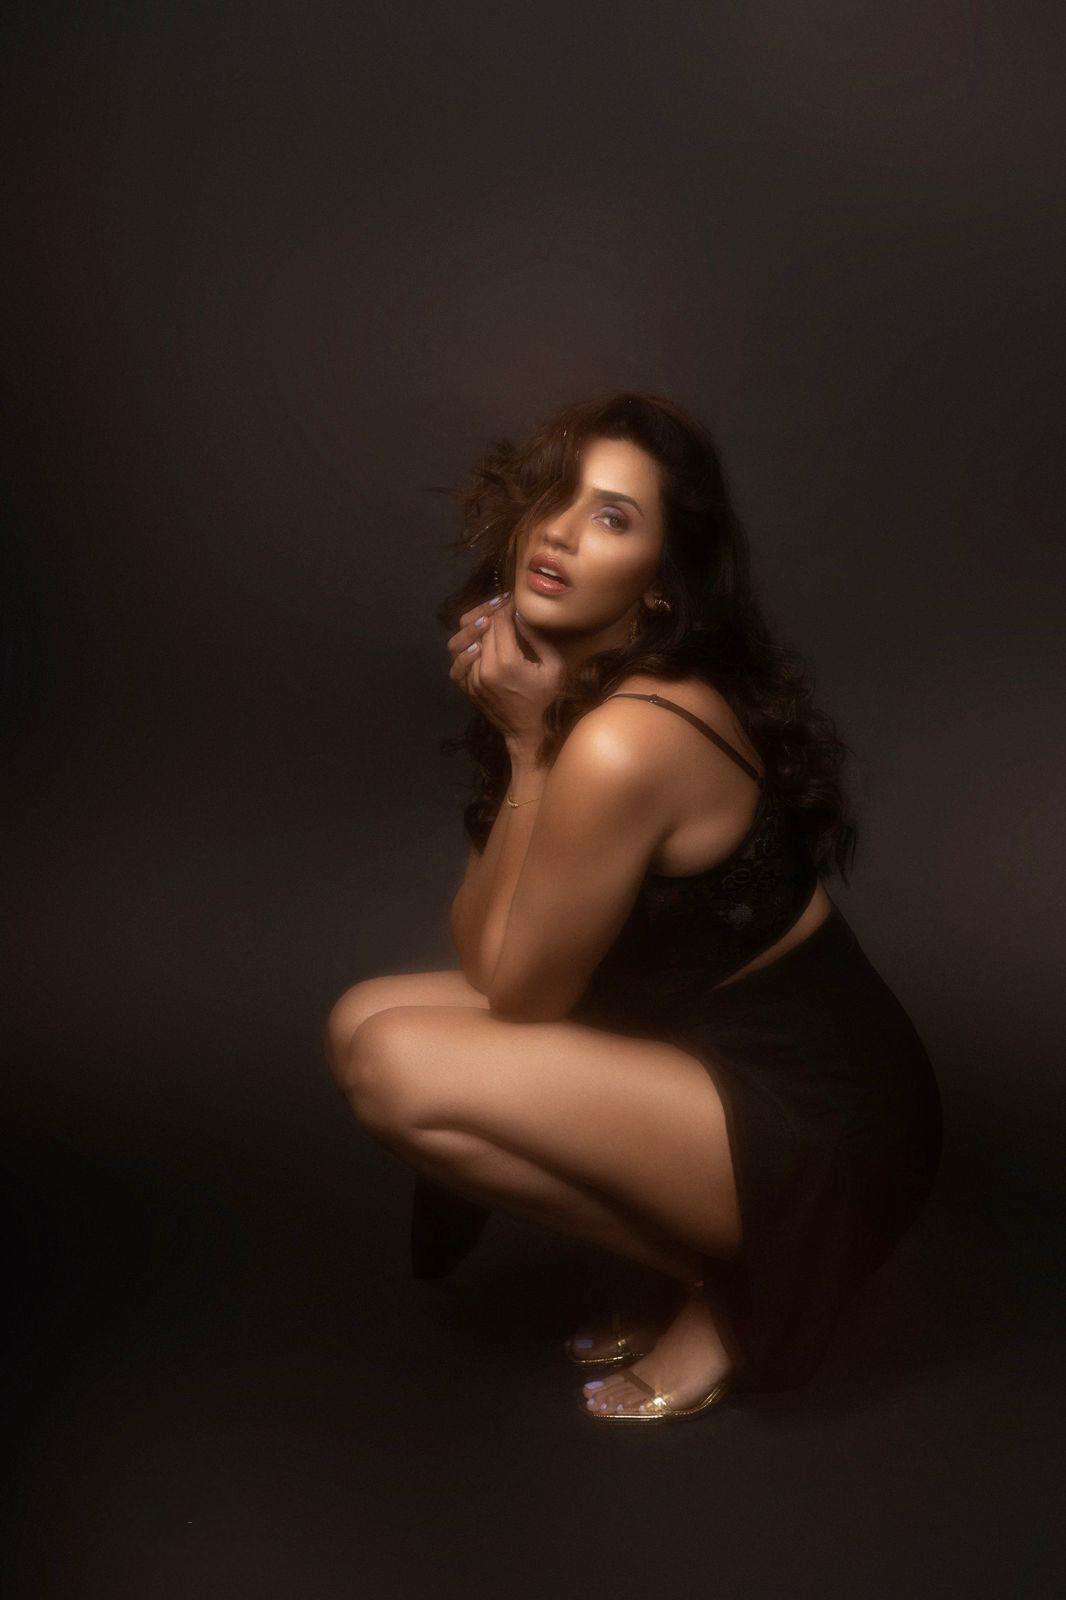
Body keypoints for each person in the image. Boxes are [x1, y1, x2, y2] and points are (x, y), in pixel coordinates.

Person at [323, 391, 943, 1426]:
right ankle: (726, 1269)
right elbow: (490, 957)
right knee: (360, 1019)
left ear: (658, 581)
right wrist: (526, 747)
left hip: (825, 1118)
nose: (561, 533)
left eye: (613, 516)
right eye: (555, 497)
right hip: (704, 1051)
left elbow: (520, 997)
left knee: (396, 1063)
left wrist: (532, 752)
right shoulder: (578, 695)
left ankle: (756, 1288)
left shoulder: (627, 737)